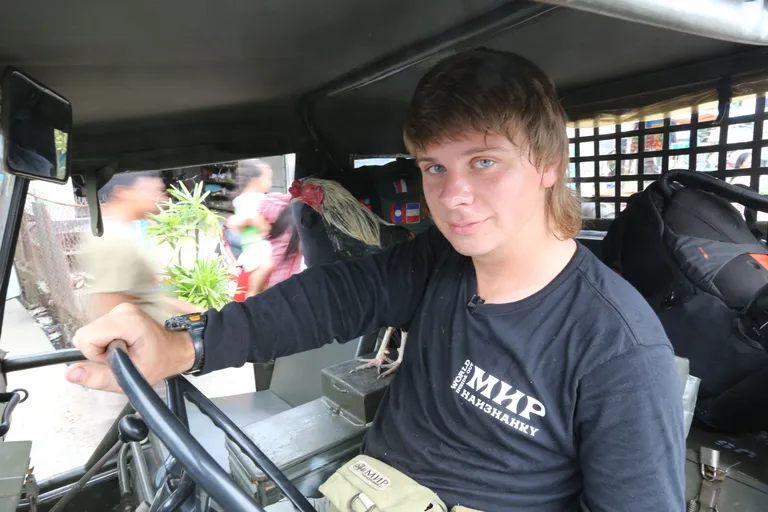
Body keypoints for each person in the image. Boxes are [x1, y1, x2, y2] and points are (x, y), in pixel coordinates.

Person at [66, 49, 685, 511]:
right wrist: (184, 345)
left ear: (548, 164)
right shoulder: (439, 261)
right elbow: (332, 298)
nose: (454, 194)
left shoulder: (618, 347)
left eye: (484, 162)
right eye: (434, 168)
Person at [79, 171, 198, 323]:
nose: (160, 189)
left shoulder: (125, 231)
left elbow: (139, 295)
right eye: (148, 188)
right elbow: (111, 310)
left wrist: (188, 310)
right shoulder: (114, 240)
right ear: (123, 192)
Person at [226, 159, 276, 296]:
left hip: (255, 243)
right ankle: (251, 294)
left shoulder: (247, 198)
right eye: (267, 179)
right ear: (255, 181)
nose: (270, 184)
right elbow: (255, 219)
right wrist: (267, 228)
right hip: (255, 244)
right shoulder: (252, 199)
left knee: (268, 271)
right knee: (267, 265)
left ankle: (257, 292)